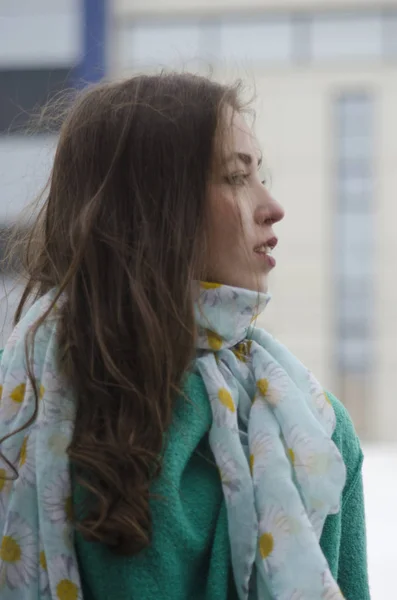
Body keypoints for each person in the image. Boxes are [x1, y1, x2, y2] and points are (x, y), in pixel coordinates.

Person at [0, 72, 370, 600]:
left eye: (259, 174)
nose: (272, 205)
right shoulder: (16, 405)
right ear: (152, 205)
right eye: (237, 177)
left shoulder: (312, 428)